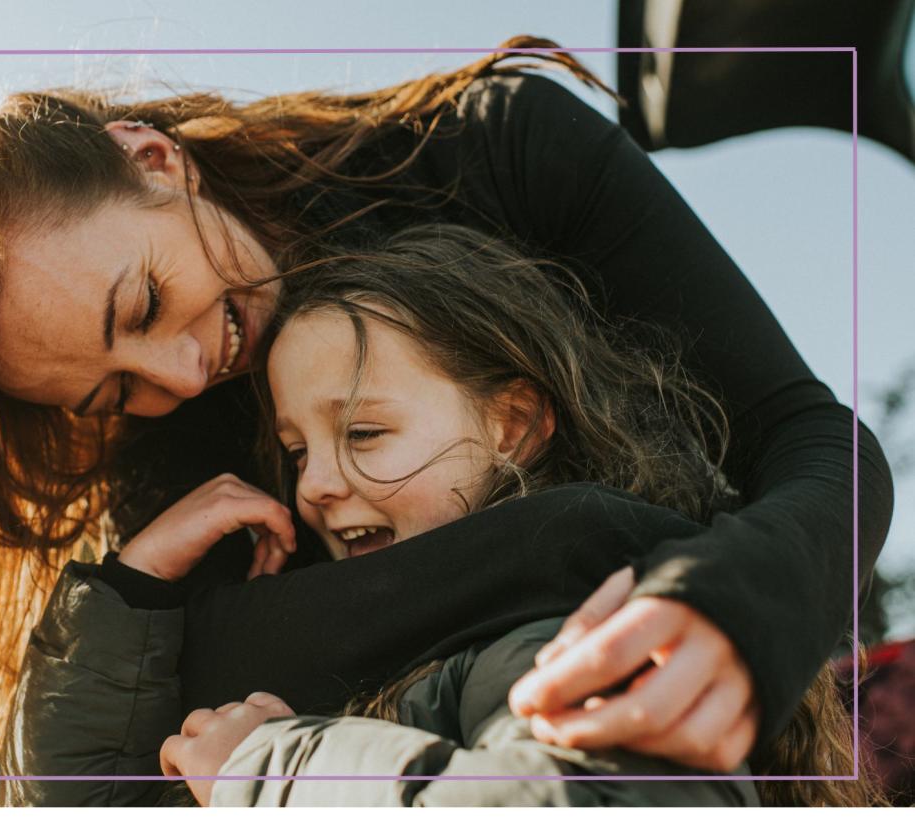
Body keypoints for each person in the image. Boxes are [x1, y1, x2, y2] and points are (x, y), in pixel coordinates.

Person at [0, 38, 892, 806]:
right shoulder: (171, 430)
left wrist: (734, 602)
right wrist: (590, 540)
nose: (180, 376)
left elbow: (812, 443)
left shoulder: (495, 148)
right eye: (109, 394)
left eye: (147, 302)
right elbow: (192, 701)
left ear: (153, 159)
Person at [150, 224, 871, 806]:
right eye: (297, 451)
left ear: (515, 427)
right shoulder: (421, 653)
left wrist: (268, 769)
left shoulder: (563, 634)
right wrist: (127, 593)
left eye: (364, 434)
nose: (315, 486)